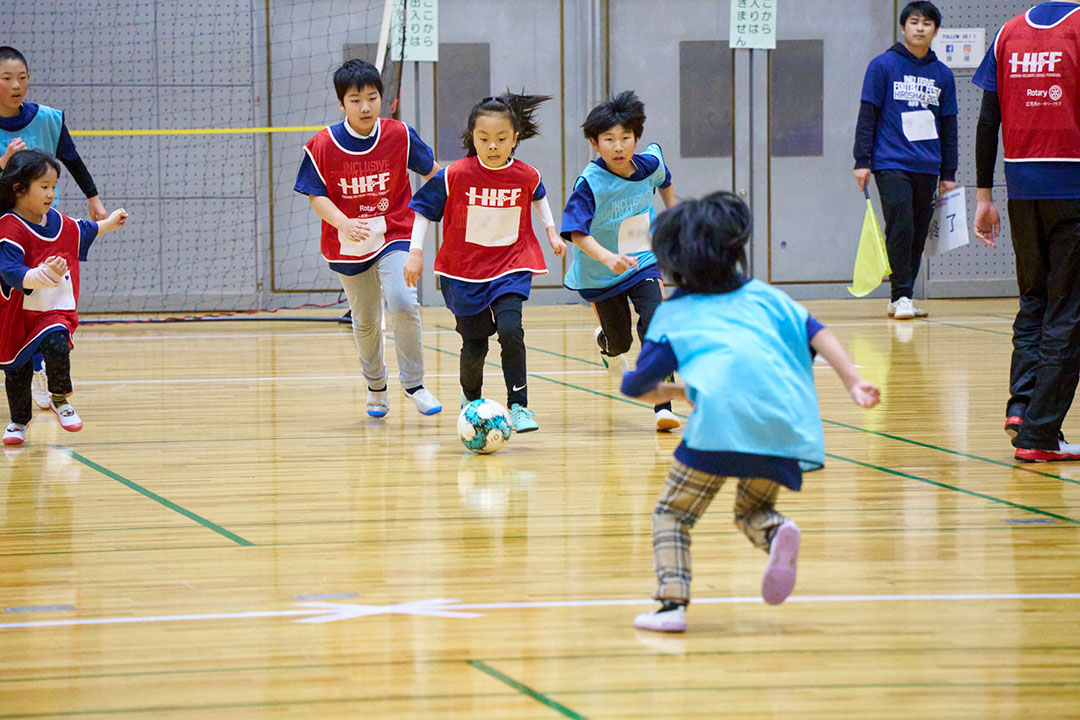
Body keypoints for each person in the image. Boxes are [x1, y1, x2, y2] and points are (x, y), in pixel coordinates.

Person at [622, 192, 880, 633]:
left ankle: (671, 606)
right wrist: (853, 381)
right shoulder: (767, 297)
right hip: (783, 426)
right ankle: (776, 532)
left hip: (718, 430)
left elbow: (638, 386)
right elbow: (818, 333)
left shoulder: (674, 314)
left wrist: (681, 391)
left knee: (673, 514)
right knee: (752, 509)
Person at [404, 92, 566, 433]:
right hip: (463, 272)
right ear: (472, 137)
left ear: (515, 139)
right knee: (475, 344)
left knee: (510, 330)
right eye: (484, 139)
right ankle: (471, 399)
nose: (493, 146)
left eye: (501, 139)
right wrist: (415, 253)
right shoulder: (455, 175)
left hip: (511, 265)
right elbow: (423, 210)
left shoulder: (526, 175)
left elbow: (538, 195)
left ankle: (519, 405)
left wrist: (551, 232)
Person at [294, 58, 442, 419]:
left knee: (403, 302)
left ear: (382, 99)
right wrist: (343, 223)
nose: (365, 107)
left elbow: (435, 174)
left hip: (394, 231)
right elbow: (316, 195)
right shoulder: (323, 144)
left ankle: (415, 384)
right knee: (365, 319)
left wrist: (457, 202)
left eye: (372, 98)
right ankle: (376, 386)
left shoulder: (400, 135)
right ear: (341, 104)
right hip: (348, 240)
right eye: (356, 99)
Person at [972, 1, 1080, 462]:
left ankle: (1021, 406)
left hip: (1020, 190)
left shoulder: (1007, 33)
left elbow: (986, 121)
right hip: (1073, 187)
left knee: (1034, 300)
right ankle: (1039, 434)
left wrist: (983, 196)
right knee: (1068, 312)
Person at [560, 90, 681, 432]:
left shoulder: (649, 164)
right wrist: (608, 257)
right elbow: (576, 233)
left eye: (625, 138)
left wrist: (674, 217)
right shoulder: (590, 183)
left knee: (656, 323)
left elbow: (665, 179)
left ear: (635, 139)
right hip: (601, 272)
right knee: (621, 343)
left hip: (642, 259)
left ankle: (663, 405)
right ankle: (606, 342)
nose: (618, 146)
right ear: (594, 143)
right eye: (609, 139)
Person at [0, 46, 111, 412]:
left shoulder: (47, 119)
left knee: (42, 302)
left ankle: (40, 371)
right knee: (11, 311)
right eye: (7, 79)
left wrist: (93, 199)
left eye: (23, 78)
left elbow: (73, 160)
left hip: (41, 231)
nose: (17, 85)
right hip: (5, 230)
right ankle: (22, 369)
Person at [0, 150, 127, 445]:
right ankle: (19, 420)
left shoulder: (57, 220)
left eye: (54, 186)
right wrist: (40, 275)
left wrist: (108, 224)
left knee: (58, 342)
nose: (50, 193)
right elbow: (9, 270)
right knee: (17, 371)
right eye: (43, 186)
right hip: (18, 314)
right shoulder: (9, 226)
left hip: (53, 310)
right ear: (19, 188)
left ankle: (59, 398)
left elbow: (81, 230)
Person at [853, 1, 958, 320]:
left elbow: (949, 126)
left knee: (917, 231)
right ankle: (900, 296)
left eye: (927, 23)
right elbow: (868, 114)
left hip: (927, 164)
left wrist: (948, 172)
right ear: (903, 27)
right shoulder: (882, 66)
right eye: (914, 22)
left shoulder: (943, 75)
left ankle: (904, 294)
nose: (920, 27)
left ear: (935, 31)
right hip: (891, 163)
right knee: (900, 226)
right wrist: (862, 160)